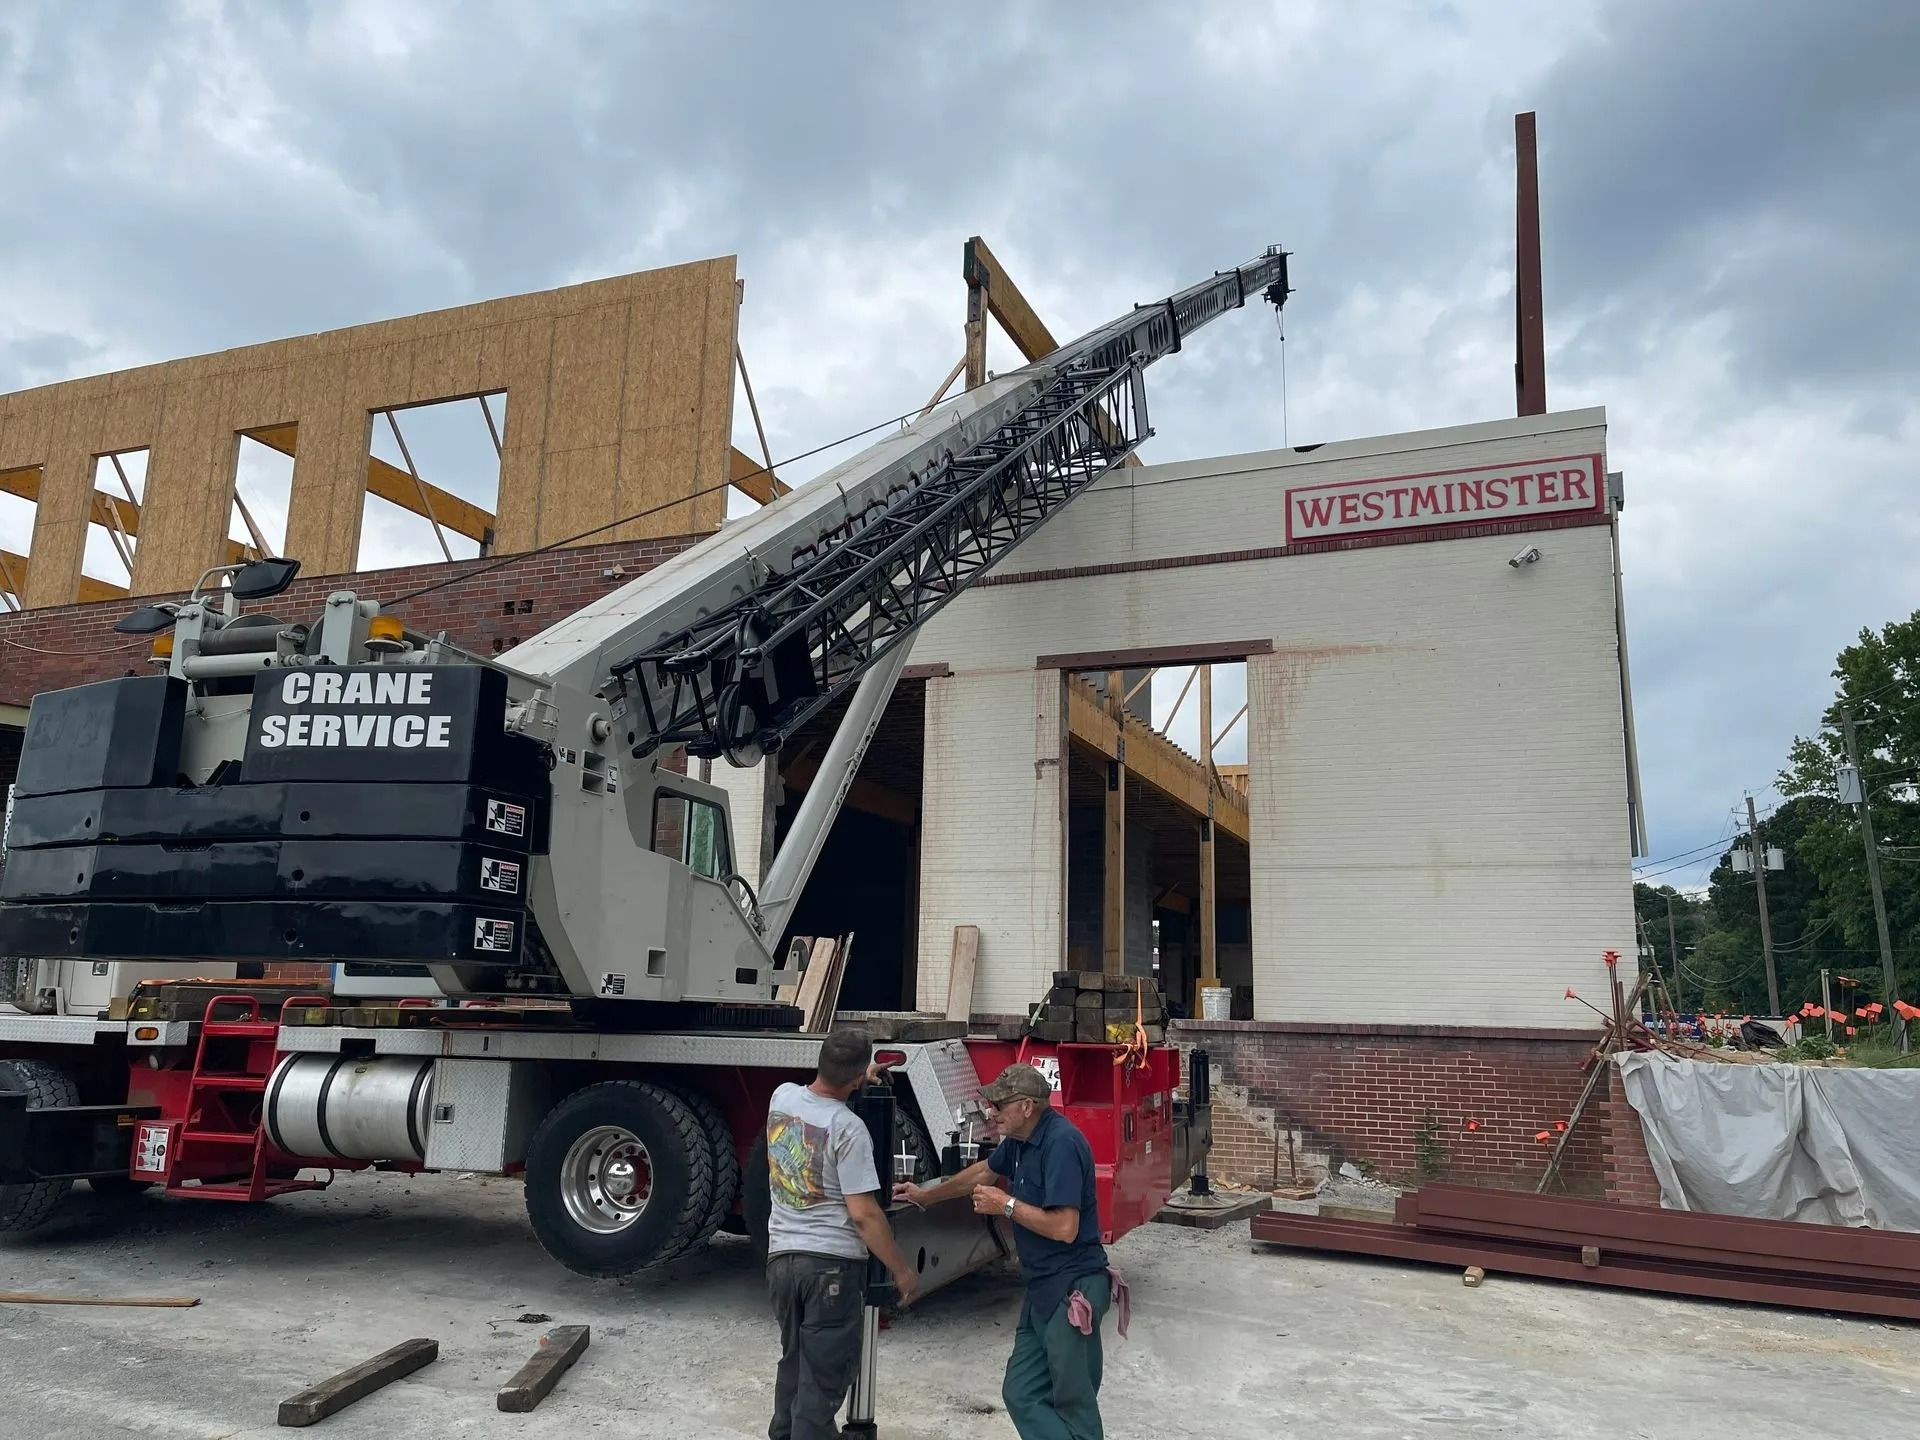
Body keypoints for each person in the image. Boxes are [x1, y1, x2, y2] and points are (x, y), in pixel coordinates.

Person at [894, 1062, 1121, 1440]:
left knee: (1074, 1403)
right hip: (1042, 1290)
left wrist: (1006, 1205)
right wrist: (926, 1196)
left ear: (1027, 1107)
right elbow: (984, 1172)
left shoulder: (1061, 1143)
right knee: (1020, 1392)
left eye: (1000, 1105)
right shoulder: (1018, 1141)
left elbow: (1066, 1228)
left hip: (1072, 1288)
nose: (991, 1112)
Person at [765, 1028, 920, 1440]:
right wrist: (900, 1270)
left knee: (795, 1366)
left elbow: (829, 1083)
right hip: (830, 1268)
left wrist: (856, 1073)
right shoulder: (848, 1129)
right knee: (823, 1380)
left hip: (782, 1260)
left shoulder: (781, 1098)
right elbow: (864, 1215)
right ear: (855, 1080)